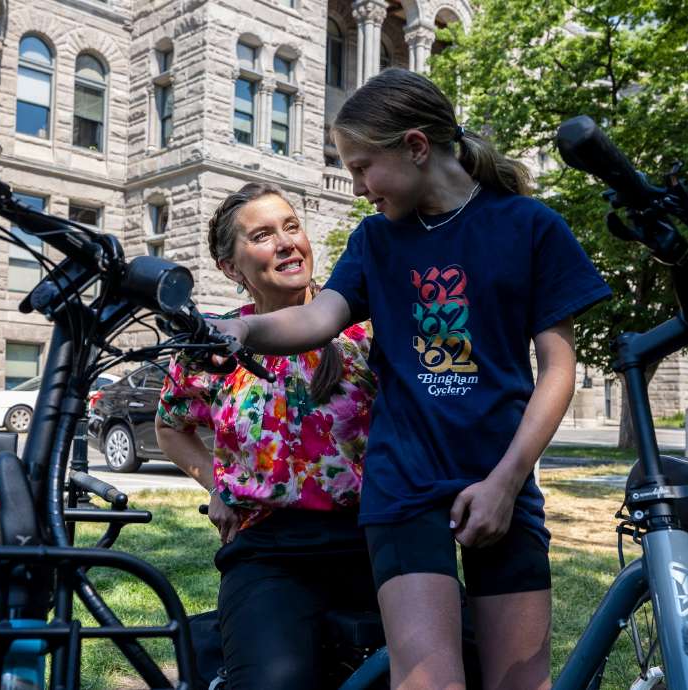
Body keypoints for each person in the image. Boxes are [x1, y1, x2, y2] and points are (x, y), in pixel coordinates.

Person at [209, 68, 613, 690]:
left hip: (502, 477)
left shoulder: (531, 227)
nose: (357, 186)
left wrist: (506, 482)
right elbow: (318, 318)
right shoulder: (375, 240)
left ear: (416, 147)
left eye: (363, 167)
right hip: (404, 486)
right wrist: (242, 330)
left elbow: (558, 369)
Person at [155, 182, 379, 690]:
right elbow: (170, 428)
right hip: (269, 552)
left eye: (291, 227)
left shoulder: (363, 332)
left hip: (373, 541)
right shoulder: (214, 345)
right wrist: (216, 485)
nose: (285, 243)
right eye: (262, 236)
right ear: (231, 268)